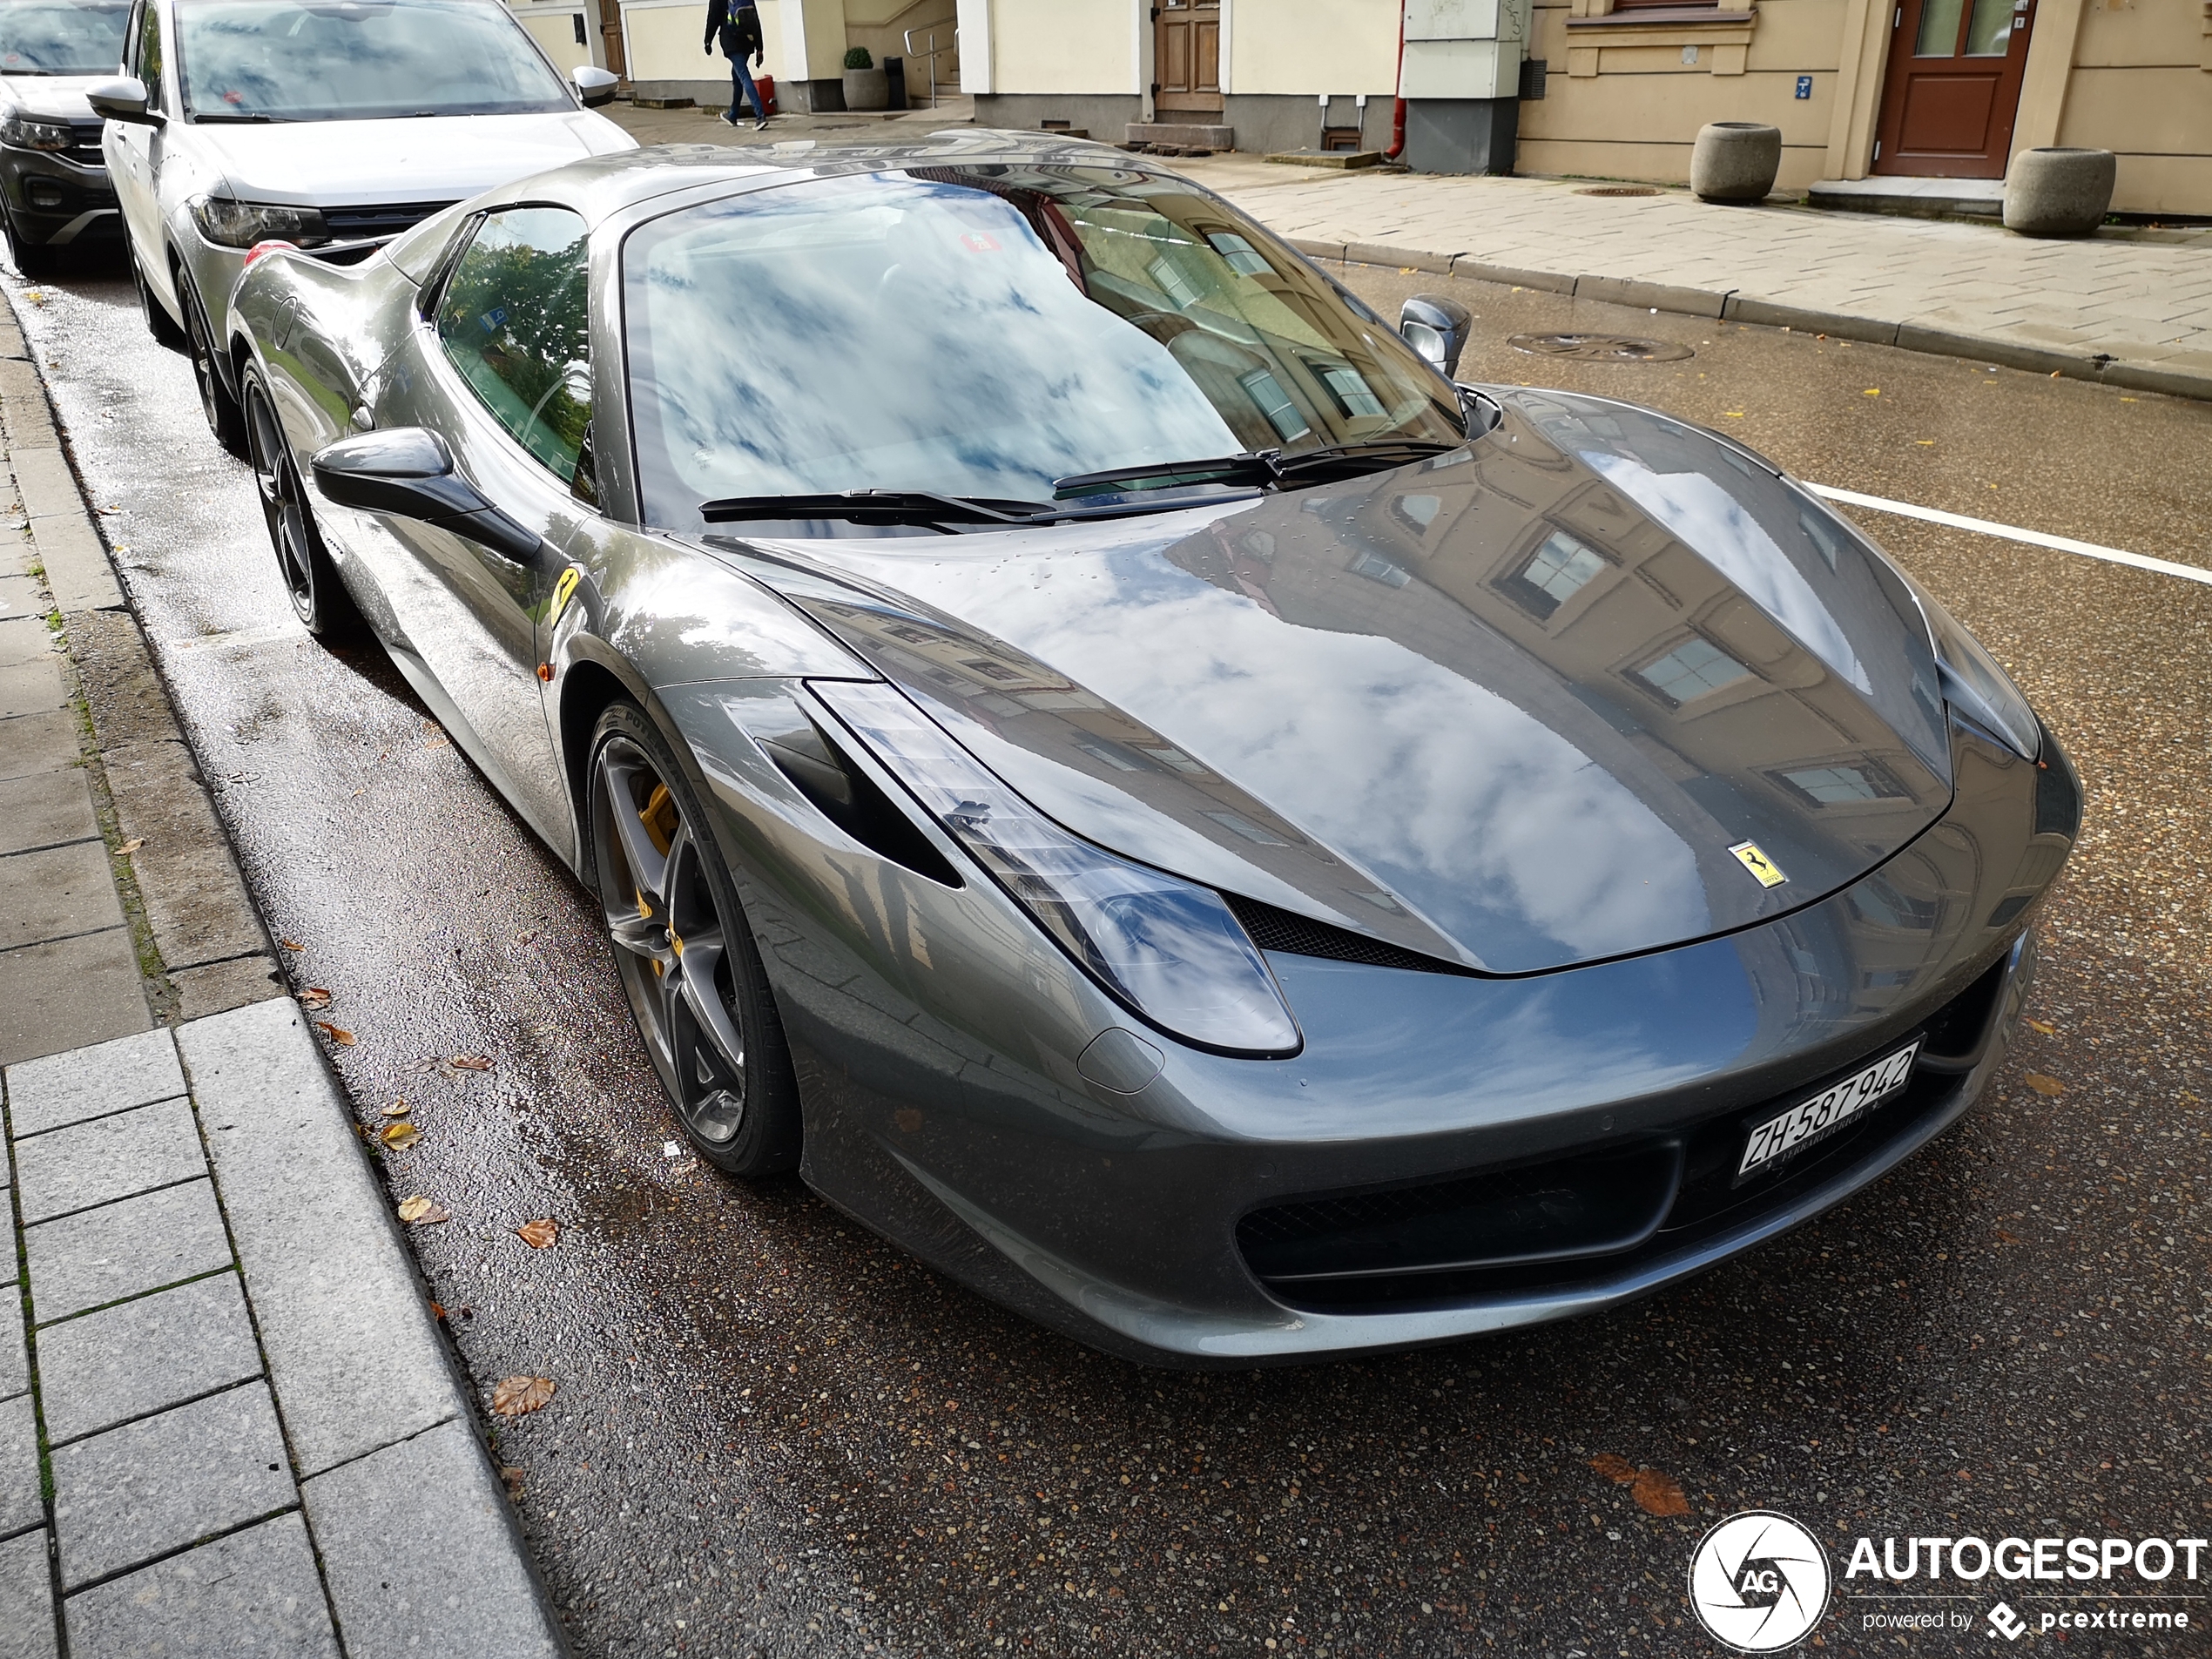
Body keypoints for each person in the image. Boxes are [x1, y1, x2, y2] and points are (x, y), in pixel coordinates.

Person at [704, 0, 767, 130]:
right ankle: (733, 115)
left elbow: (713, 18)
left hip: (731, 41)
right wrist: (759, 47)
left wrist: (707, 41)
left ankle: (760, 115)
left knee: (743, 75)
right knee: (737, 76)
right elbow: (755, 18)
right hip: (748, 40)